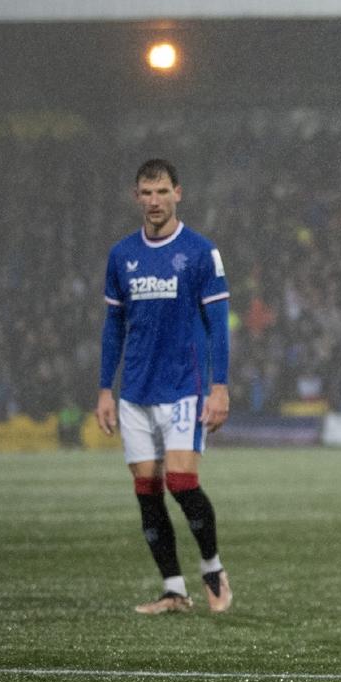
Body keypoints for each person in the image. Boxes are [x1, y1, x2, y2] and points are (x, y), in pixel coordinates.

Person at [96, 158, 234, 615]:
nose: (154, 201)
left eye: (162, 192)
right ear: (136, 197)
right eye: (146, 193)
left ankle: (211, 566)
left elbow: (218, 325)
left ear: (178, 193)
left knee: (181, 481)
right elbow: (113, 327)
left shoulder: (200, 252)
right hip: (135, 392)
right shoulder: (122, 255)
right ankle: (174, 590)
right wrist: (105, 389)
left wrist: (219, 387)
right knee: (147, 490)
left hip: (183, 387)